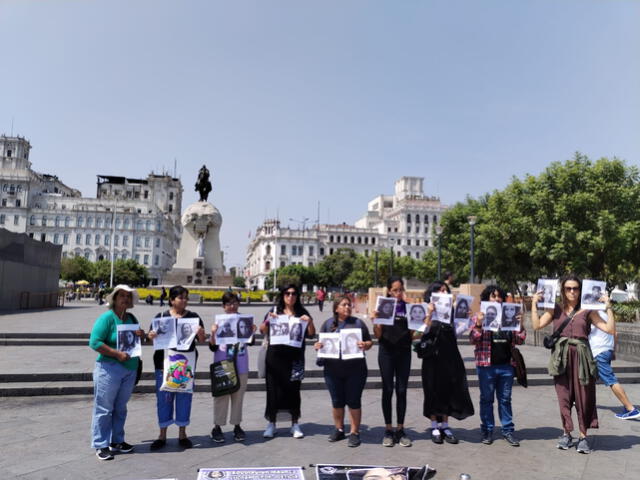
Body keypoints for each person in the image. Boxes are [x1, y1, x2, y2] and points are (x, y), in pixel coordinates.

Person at [532, 273, 615, 454]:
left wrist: (608, 307)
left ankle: (583, 436)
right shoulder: (555, 309)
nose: (572, 292)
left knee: (583, 397)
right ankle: (566, 433)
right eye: (568, 288)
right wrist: (533, 303)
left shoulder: (588, 310)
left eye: (575, 288)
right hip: (561, 358)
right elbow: (537, 325)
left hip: (582, 358)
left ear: (580, 290)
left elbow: (610, 329)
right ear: (562, 290)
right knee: (564, 397)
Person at [89, 284, 144, 461]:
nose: (125, 299)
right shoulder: (106, 318)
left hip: (129, 369)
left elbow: (136, 341)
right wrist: (116, 354)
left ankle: (117, 441)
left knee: (121, 408)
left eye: (128, 296)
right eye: (122, 296)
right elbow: (94, 342)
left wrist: (141, 334)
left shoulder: (132, 318)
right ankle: (101, 444)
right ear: (114, 298)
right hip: (109, 368)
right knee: (104, 408)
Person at [147, 285, 205, 450]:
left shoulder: (194, 317)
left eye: (186, 297)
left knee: (184, 398)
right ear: (172, 300)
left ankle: (182, 433)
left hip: (186, 365)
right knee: (164, 399)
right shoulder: (161, 316)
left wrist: (200, 332)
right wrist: (150, 336)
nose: (184, 300)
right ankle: (162, 434)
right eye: (181, 297)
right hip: (163, 364)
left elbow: (202, 340)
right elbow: (150, 340)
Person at [470, 285, 526, 447]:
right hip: (486, 365)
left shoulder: (509, 315)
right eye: (493, 296)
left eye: (499, 296)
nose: (497, 299)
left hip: (506, 365)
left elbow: (519, 340)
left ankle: (507, 430)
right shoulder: (478, 316)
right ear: (487, 299)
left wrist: (520, 325)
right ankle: (487, 430)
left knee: (505, 399)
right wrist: (479, 324)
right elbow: (473, 340)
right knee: (486, 399)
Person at [314, 295, 373, 447]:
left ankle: (354, 432)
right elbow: (320, 342)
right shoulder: (328, 324)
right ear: (336, 308)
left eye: (349, 305)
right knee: (337, 401)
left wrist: (365, 344)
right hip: (333, 370)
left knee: (354, 401)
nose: (347, 307)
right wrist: (318, 346)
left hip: (356, 369)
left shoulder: (358, 323)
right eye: (344, 305)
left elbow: (369, 342)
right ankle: (339, 429)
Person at [421, 281, 474, 445]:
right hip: (432, 356)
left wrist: (467, 318)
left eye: (446, 290)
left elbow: (458, 331)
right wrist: (429, 314)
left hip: (449, 355)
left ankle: (445, 425)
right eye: (439, 290)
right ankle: (434, 425)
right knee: (431, 389)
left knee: (447, 389)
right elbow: (420, 331)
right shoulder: (426, 308)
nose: (443, 293)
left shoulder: (451, 312)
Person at [259, 284, 315, 439]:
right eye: (287, 293)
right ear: (282, 296)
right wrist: (268, 321)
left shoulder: (302, 312)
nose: (291, 296)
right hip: (275, 357)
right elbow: (262, 329)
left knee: (294, 390)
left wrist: (309, 322)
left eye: (294, 294)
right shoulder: (274, 311)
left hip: (295, 358)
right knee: (273, 390)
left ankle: (295, 423)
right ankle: (272, 423)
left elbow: (311, 334)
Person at [210, 292, 256, 443]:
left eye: (235, 303)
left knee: (238, 397)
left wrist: (252, 331)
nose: (232, 306)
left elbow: (250, 342)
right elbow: (212, 347)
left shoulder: (244, 321)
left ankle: (237, 425)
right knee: (221, 397)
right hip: (223, 364)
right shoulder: (219, 323)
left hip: (241, 364)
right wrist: (212, 333)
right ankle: (217, 427)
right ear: (223, 307)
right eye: (229, 304)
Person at [373, 277, 413, 447]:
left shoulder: (409, 307)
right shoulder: (383, 306)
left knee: (402, 390)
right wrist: (375, 321)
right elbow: (378, 335)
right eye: (395, 290)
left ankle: (400, 429)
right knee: (388, 389)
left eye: (400, 290)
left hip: (404, 352)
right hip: (386, 352)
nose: (398, 293)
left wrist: (423, 322)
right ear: (389, 291)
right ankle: (388, 429)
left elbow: (413, 335)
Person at [588, 311, 640, 420]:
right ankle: (579, 399)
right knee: (589, 374)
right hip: (607, 349)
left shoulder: (592, 313)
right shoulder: (608, 313)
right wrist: (613, 351)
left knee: (610, 379)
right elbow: (615, 333)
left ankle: (631, 408)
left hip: (598, 351)